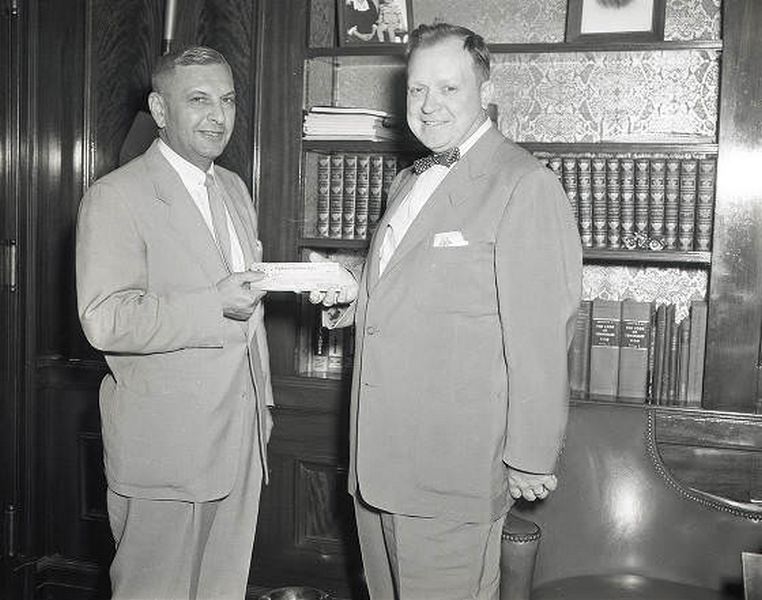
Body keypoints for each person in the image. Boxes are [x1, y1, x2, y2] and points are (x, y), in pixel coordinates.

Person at [312, 22, 582, 600]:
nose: (429, 105)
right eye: (416, 90)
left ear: (485, 92)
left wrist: (530, 457)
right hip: (377, 464)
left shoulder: (524, 184)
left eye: (449, 88)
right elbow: (417, 286)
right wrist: (350, 290)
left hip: (451, 470)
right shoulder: (409, 181)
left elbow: (539, 334)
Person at [76, 46, 273, 600]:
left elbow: (246, 306)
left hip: (240, 440)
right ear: (160, 111)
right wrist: (213, 304)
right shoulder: (115, 197)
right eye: (199, 100)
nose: (218, 116)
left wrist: (265, 409)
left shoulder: (234, 187)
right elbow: (106, 319)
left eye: (228, 100)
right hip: (165, 450)